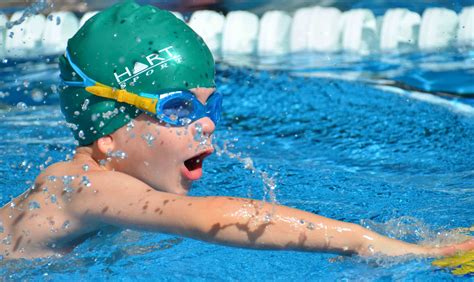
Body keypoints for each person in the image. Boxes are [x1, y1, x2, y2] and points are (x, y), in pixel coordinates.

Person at [0, 1, 472, 260]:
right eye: (178, 107)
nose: (206, 123)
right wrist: (376, 244)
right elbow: (212, 216)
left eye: (209, 105)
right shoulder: (80, 186)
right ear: (108, 131)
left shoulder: (107, 192)